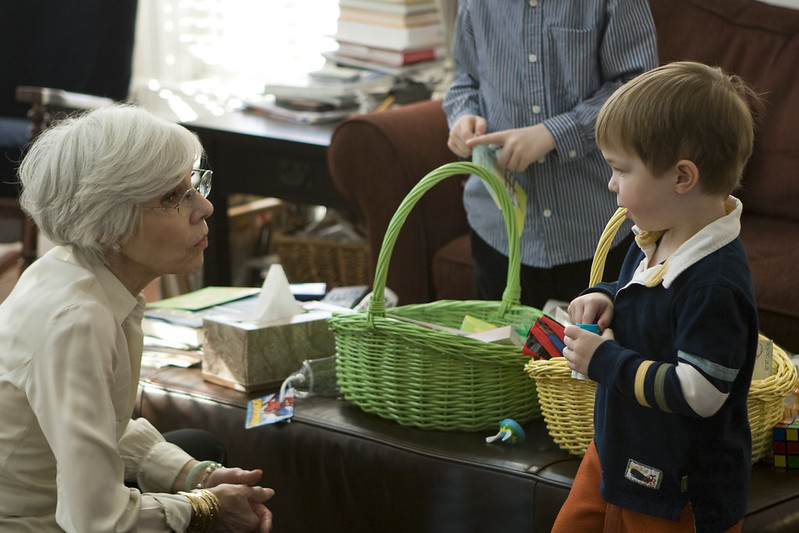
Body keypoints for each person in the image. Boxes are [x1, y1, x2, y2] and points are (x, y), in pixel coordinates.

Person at [0, 104, 275, 532]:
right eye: (172, 198)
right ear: (106, 225)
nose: (204, 207)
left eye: (194, 185)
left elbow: (101, 423)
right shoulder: (77, 319)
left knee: (201, 449)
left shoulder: (69, 268)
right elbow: (96, 521)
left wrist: (196, 477)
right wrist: (205, 507)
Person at [556, 61, 759, 532]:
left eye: (621, 170)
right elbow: (643, 298)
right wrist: (605, 297)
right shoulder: (655, 233)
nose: (611, 184)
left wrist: (605, 361)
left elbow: (701, 391)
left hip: (677, 490)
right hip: (616, 451)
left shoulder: (715, 283)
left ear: (682, 177)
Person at [442, 0, 659, 309]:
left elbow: (639, 89)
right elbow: (465, 81)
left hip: (594, 230)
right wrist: (463, 117)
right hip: (499, 232)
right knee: (506, 355)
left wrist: (554, 134)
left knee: (600, 352)